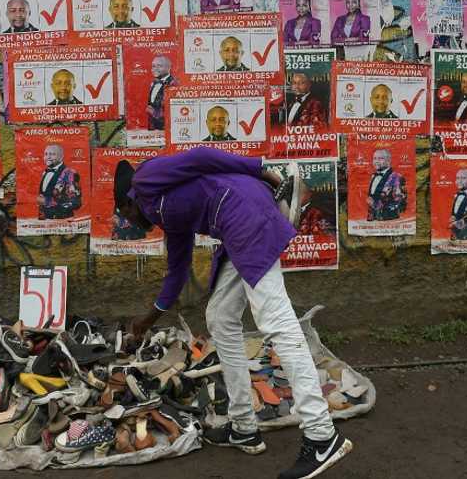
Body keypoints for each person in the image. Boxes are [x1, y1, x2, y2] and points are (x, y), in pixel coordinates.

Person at [117, 149, 352, 479]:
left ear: (127, 205)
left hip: (245, 213)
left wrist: (264, 172)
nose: (132, 224)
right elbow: (177, 272)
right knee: (221, 316)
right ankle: (244, 426)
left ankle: (321, 435)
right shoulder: (167, 215)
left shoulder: (145, 179)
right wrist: (146, 321)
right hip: (236, 224)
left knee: (276, 320)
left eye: (126, 218)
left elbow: (201, 157)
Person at [37, 143, 82, 219]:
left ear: (61, 157)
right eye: (46, 154)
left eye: (52, 154)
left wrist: (47, 203)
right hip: (44, 221)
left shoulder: (70, 173)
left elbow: (76, 202)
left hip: (63, 221)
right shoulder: (45, 172)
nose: (48, 157)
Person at [367, 149, 406, 221]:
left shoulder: (397, 177)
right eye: (374, 158)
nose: (376, 161)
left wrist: (377, 206)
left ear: (388, 161)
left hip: (389, 219)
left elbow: (400, 200)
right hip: (373, 220)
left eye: (380, 158)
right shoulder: (373, 176)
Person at [146, 55, 175, 130]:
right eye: (153, 66)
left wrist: (154, 113)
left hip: (166, 128)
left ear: (168, 68)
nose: (155, 69)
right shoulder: (154, 82)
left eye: (159, 66)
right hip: (154, 127)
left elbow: (172, 110)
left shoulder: (173, 84)